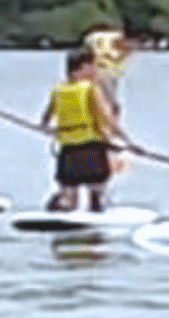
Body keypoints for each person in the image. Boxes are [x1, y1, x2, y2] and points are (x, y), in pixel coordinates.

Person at [40, 46, 137, 212]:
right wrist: (127, 140)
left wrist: (53, 130)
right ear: (83, 66)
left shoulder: (57, 90)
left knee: (69, 193)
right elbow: (107, 119)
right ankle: (95, 205)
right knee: (96, 191)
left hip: (68, 151)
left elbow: (44, 122)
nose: (95, 71)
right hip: (91, 148)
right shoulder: (90, 89)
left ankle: (63, 204)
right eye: (93, 66)